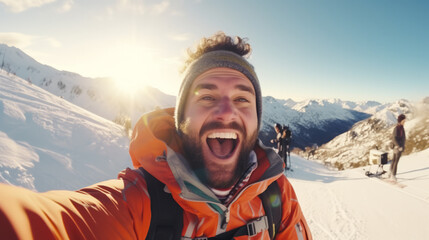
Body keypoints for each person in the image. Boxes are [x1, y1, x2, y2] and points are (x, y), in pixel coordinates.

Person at [0, 32, 312, 239]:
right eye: (206, 96)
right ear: (180, 119)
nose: (227, 111)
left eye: (243, 98)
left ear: (257, 120)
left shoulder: (276, 197)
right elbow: (46, 224)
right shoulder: (138, 205)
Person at [389, 113, 406, 181]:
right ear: (400, 121)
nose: (404, 122)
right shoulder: (398, 128)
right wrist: (399, 146)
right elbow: (394, 138)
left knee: (394, 160)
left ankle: (390, 172)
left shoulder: (400, 127)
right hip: (398, 147)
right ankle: (393, 175)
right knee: (396, 161)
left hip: (398, 147)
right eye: (403, 120)